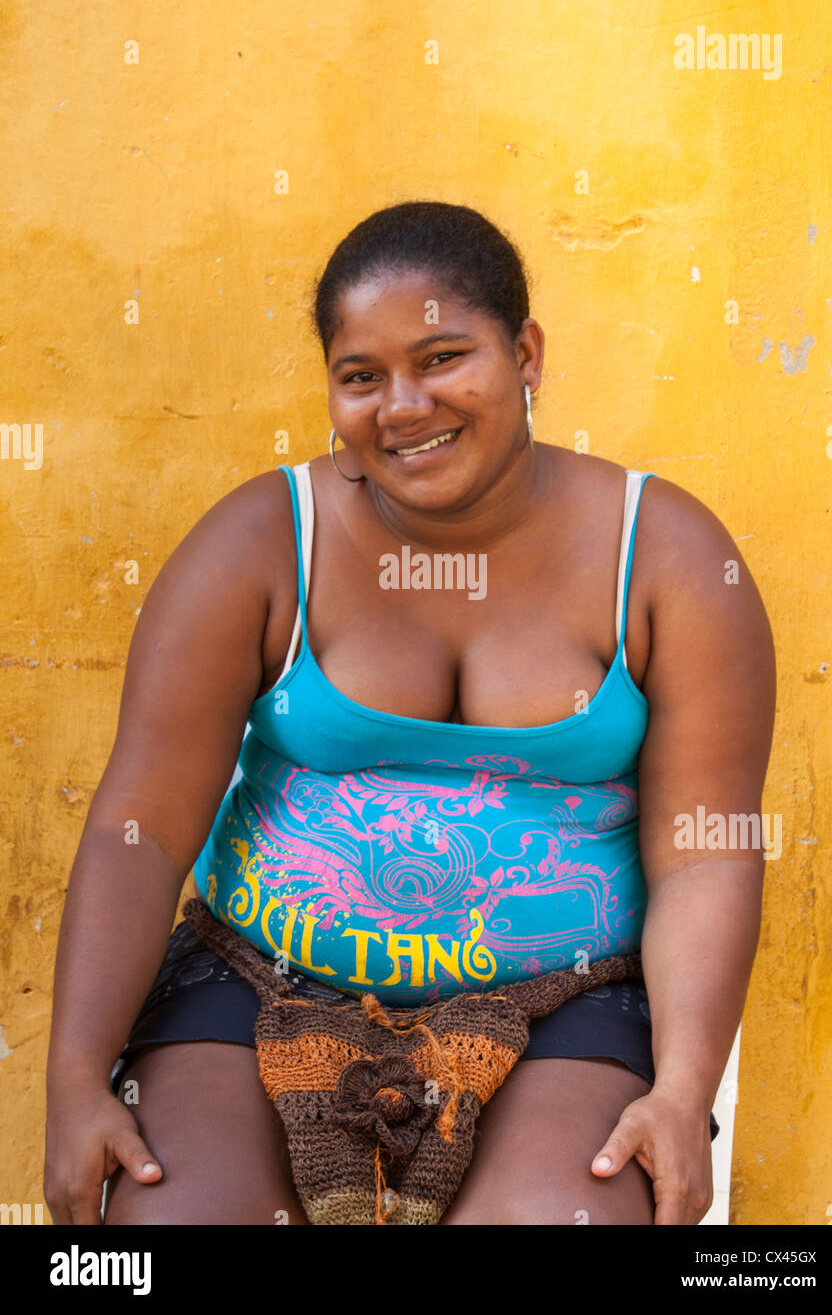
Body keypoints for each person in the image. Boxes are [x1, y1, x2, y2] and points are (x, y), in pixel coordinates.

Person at [43, 200, 776, 1226]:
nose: (402, 405)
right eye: (360, 375)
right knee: (175, 1224)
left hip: (564, 996)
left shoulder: (664, 558)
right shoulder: (262, 543)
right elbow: (142, 827)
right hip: (261, 977)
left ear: (522, 352)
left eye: (440, 357)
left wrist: (681, 1090)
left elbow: (704, 851)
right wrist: (75, 1082)